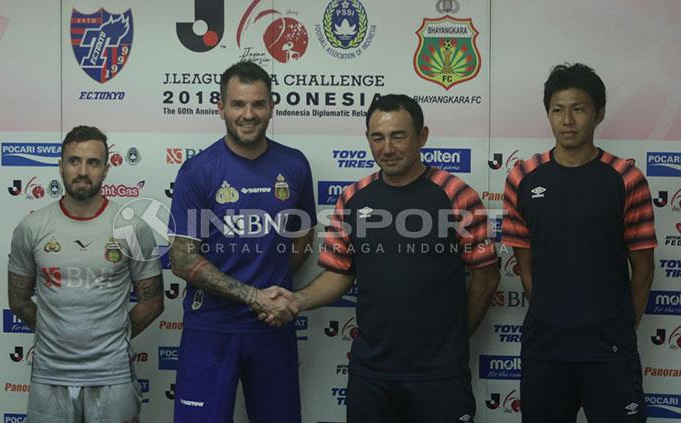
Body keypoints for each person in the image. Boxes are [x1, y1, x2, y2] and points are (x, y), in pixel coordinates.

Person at [266, 94, 500, 423]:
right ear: (368, 139)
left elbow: (487, 275)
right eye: (378, 137)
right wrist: (296, 300)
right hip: (371, 376)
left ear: (422, 136)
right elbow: (339, 273)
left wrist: (455, 338)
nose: (387, 148)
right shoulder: (352, 198)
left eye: (398, 136)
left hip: (440, 376)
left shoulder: (456, 195)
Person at [501, 63, 656, 423]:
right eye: (558, 109)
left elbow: (644, 270)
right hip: (545, 348)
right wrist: (556, 317)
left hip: (609, 350)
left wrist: (615, 328)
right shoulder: (522, 177)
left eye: (579, 108)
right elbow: (526, 269)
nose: (567, 120)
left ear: (598, 114)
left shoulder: (626, 178)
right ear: (548, 115)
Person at [167, 61, 316, 423]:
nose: (248, 115)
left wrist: (274, 292)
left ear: (271, 106)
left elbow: (302, 237)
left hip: (272, 327)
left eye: (258, 104)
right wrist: (253, 296)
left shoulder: (294, 165)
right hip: (211, 328)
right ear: (221, 107)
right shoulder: (198, 171)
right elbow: (182, 260)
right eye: (238, 104)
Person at [8, 125, 164, 422]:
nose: (82, 171)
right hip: (49, 373)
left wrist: (113, 335)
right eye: (74, 161)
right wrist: (56, 334)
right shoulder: (32, 227)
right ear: (61, 166)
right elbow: (18, 300)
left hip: (113, 372)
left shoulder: (130, 227)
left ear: (106, 169)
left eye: (93, 162)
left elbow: (153, 302)